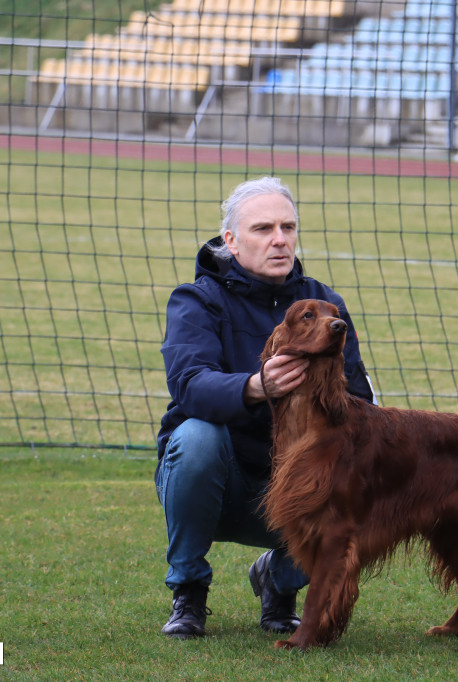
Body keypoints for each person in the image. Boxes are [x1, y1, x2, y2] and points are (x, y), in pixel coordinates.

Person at [155, 176, 375, 639]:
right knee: (197, 436)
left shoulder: (325, 304)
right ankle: (189, 592)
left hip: (298, 481)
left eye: (288, 227)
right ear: (231, 241)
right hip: (222, 482)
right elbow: (190, 386)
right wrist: (256, 386)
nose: (280, 240)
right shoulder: (196, 299)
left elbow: (361, 400)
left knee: (350, 458)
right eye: (262, 229)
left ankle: (279, 582)